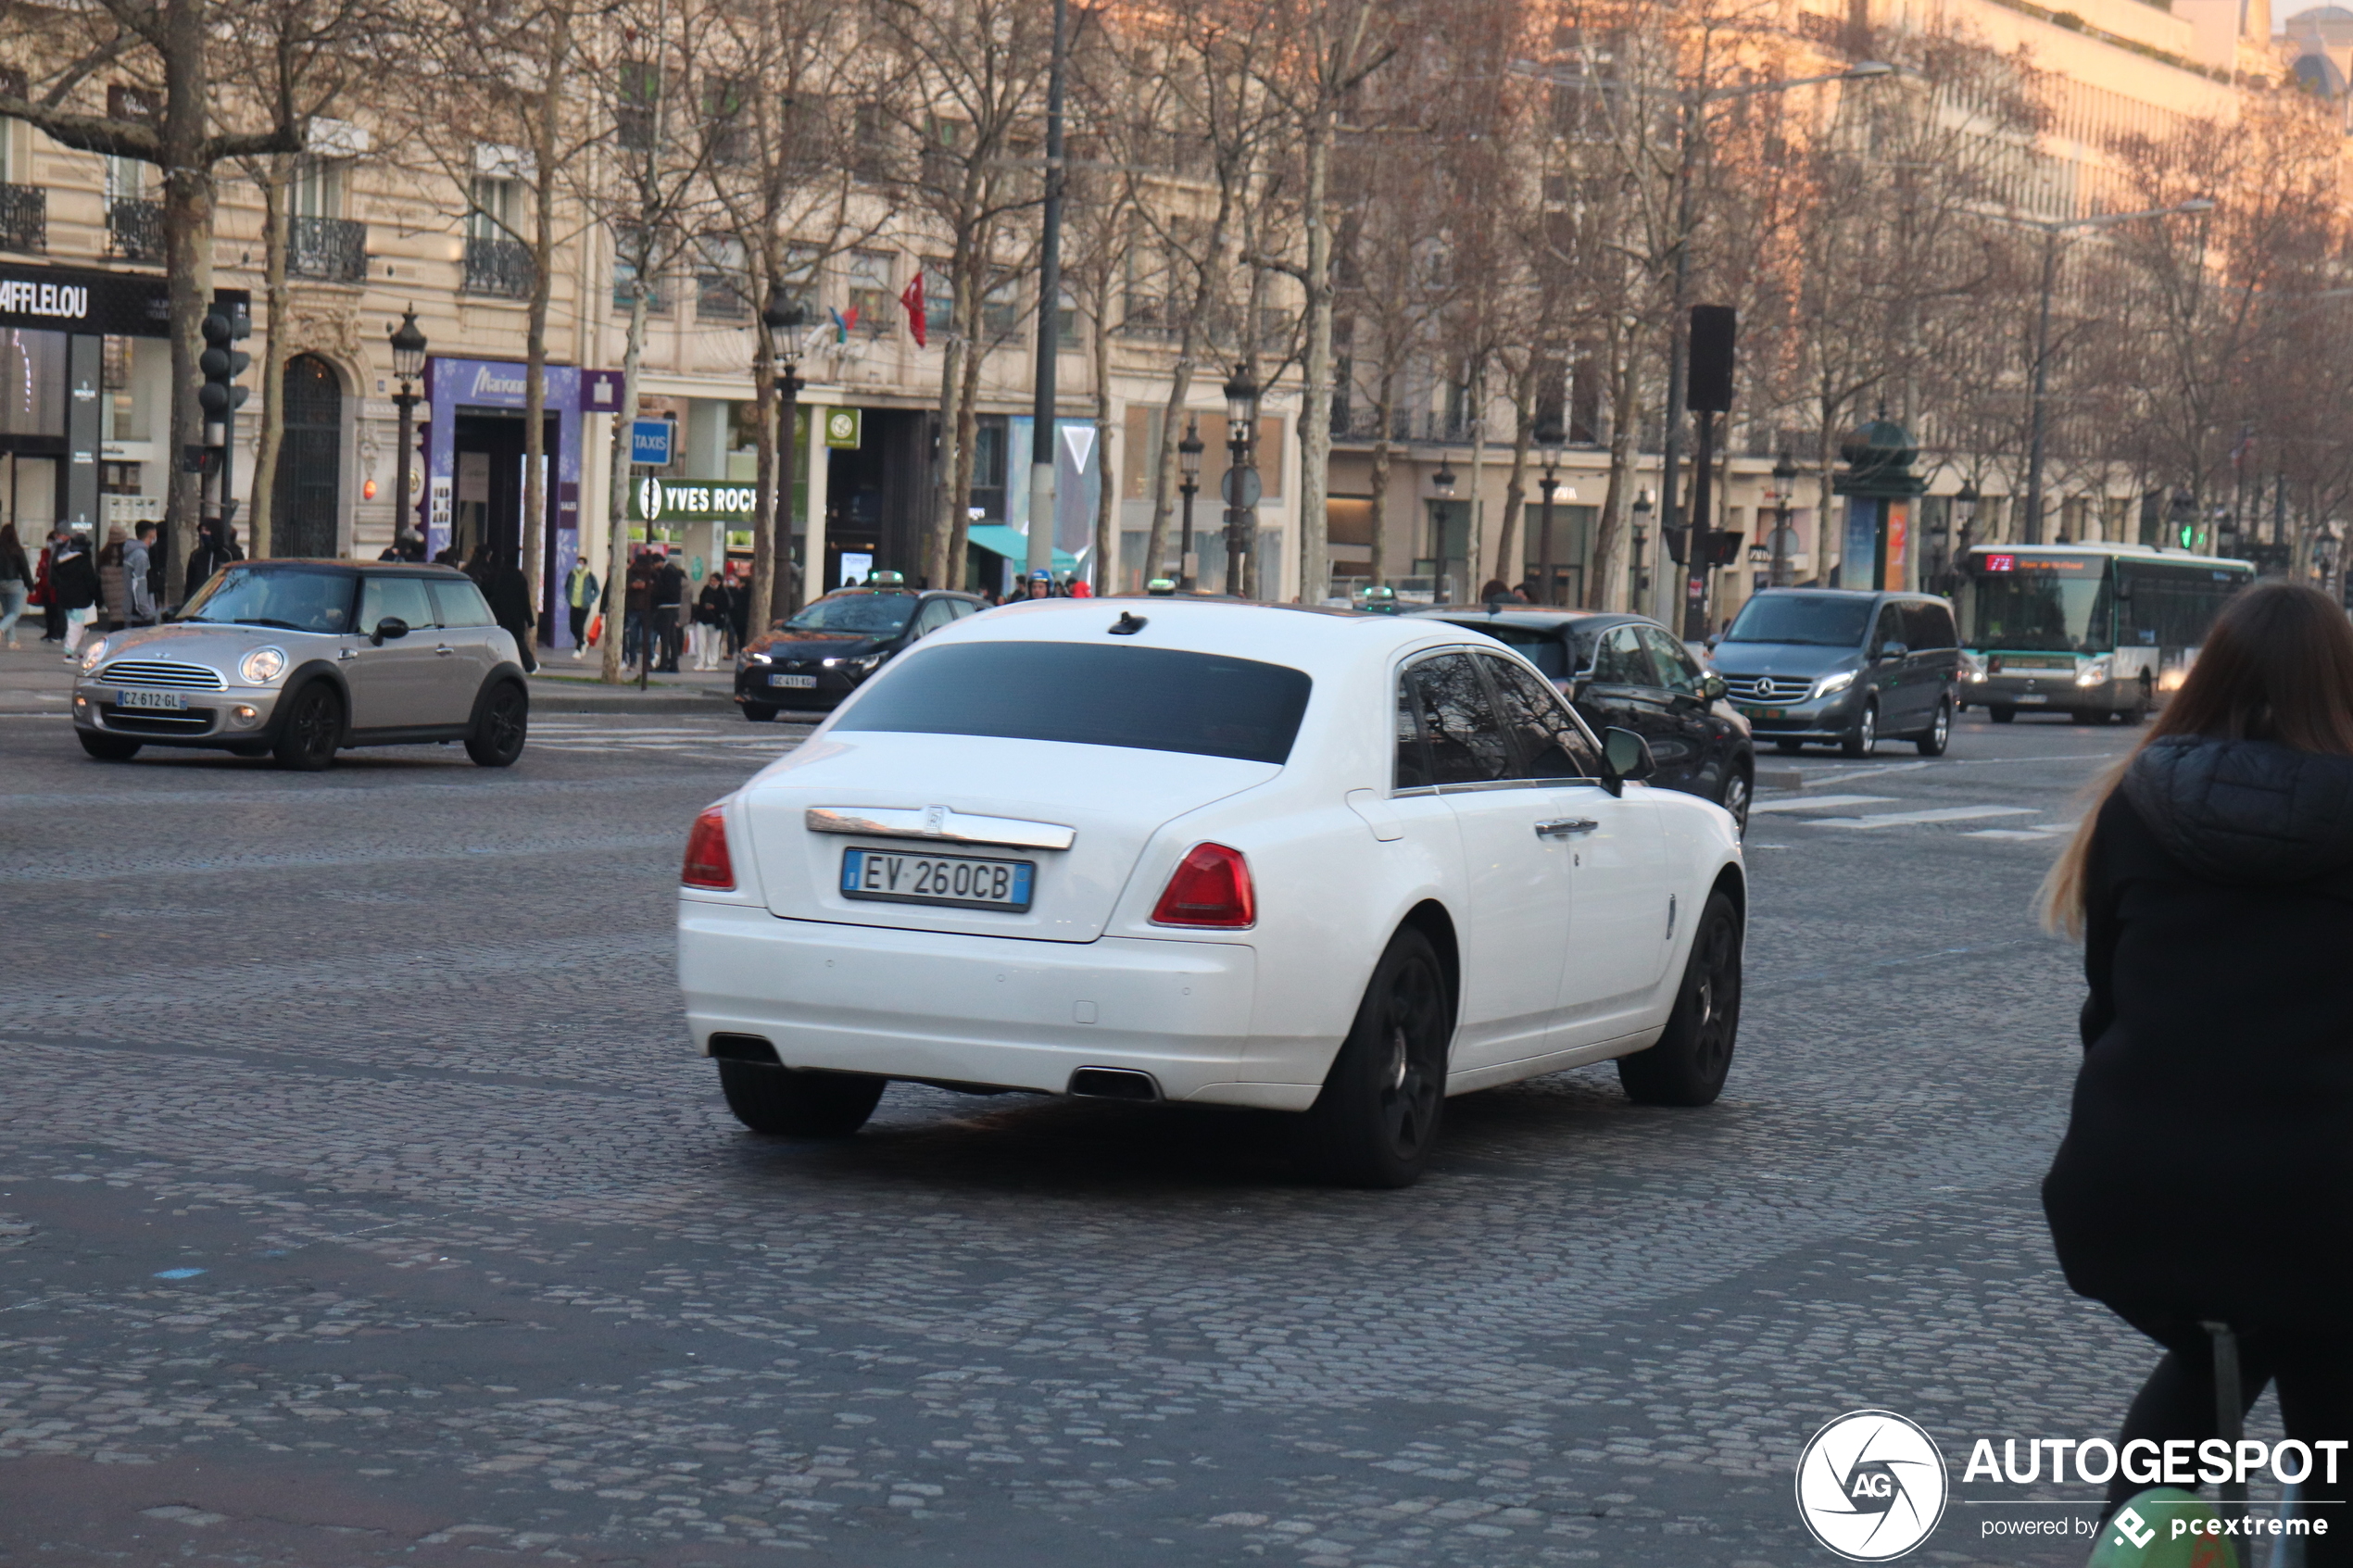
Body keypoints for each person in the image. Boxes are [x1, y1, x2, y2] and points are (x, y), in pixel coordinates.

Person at [2039, 582, 2353, 1562]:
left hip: (2132, 1189)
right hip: (2319, 1194)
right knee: (2320, 1354)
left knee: (2222, 1349)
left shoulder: (2136, 799)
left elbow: (2107, 1008)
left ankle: (2142, 1544)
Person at [479, 547, 538, 673]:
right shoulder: (519, 577)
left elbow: (485, 592)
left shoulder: (497, 574)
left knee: (500, 641)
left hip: (499, 614)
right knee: (519, 642)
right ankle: (530, 666)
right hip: (516, 617)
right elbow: (525, 601)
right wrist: (530, 621)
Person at [46, 529, 99, 661]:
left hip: (66, 597)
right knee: (77, 625)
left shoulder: (63, 560)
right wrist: (98, 598)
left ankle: (81, 652)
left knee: (76, 624)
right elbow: (90, 581)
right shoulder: (84, 561)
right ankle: (69, 653)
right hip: (81, 599)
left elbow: (56, 577)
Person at [653, 552, 688, 672]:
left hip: (666, 606)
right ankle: (674, 663)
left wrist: (657, 597)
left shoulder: (666, 572)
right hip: (674, 606)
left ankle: (663, 664)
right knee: (672, 636)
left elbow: (665, 589)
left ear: (659, 562)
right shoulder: (674, 570)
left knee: (665, 636)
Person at [623, 551, 656, 668]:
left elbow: (658, 588)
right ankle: (648, 660)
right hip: (642, 609)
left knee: (635, 637)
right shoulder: (648, 573)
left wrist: (647, 586)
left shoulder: (649, 573)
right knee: (646, 638)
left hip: (639, 609)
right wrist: (633, 586)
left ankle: (634, 661)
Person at [0, 523, 30, 649]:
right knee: (15, 613)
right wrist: (31, 586)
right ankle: (1, 629)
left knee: (8, 612)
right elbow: (24, 569)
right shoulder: (17, 549)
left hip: (1, 584)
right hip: (15, 583)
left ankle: (12, 641)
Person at [564, 558, 599, 659]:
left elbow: (597, 590)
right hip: (574, 604)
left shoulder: (590, 576)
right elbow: (567, 586)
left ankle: (578, 649)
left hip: (584, 606)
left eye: (581, 563)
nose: (579, 565)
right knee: (573, 627)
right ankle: (583, 642)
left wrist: (590, 599)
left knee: (580, 626)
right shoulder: (572, 574)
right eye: (578, 563)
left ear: (585, 565)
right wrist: (568, 597)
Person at [694, 572, 729, 671]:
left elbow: (726, 606)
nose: (712, 582)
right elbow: (700, 603)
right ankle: (700, 661)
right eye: (711, 580)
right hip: (703, 619)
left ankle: (712, 663)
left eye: (715, 580)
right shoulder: (706, 590)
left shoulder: (723, 592)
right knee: (700, 642)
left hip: (715, 621)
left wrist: (715, 607)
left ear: (719, 581)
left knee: (714, 643)